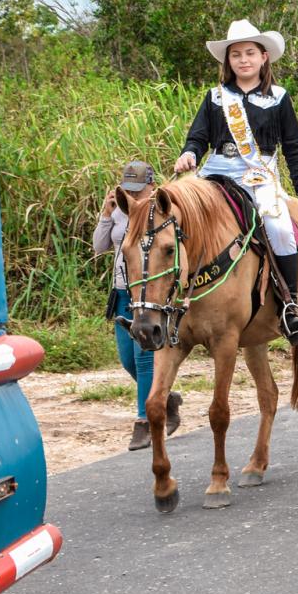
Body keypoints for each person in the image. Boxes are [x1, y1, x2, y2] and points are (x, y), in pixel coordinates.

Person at [175, 20, 298, 341]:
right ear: (228, 61)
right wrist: (189, 154)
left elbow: (294, 149)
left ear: (263, 57)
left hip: (260, 175)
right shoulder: (215, 97)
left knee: (280, 228)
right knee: (182, 222)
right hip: (217, 172)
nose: (243, 60)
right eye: (236, 54)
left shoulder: (279, 98)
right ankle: (174, 301)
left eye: (250, 53)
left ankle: (290, 305)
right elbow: (198, 138)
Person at [94, 161, 182, 451]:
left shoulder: (160, 214)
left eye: (139, 189)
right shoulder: (121, 210)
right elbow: (99, 246)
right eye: (128, 190)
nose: (134, 195)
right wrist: (107, 216)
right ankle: (165, 398)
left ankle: (144, 420)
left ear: (152, 186)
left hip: (149, 293)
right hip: (123, 292)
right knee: (127, 360)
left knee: (144, 359)